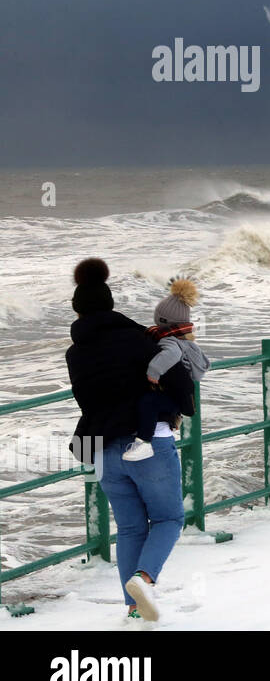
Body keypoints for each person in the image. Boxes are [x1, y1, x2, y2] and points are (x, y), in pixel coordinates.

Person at [65, 258, 192, 621]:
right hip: (147, 441)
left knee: (132, 527)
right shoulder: (136, 337)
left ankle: (135, 609)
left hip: (102, 449)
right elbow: (177, 376)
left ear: (78, 312)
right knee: (168, 519)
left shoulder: (74, 353)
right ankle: (144, 578)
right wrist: (183, 407)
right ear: (110, 304)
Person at [123, 277, 210, 462]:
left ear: (162, 319)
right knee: (152, 402)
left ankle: (144, 443)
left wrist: (153, 371)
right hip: (180, 393)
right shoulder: (180, 337)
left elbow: (170, 355)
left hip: (176, 395)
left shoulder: (169, 340)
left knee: (148, 402)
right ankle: (168, 421)